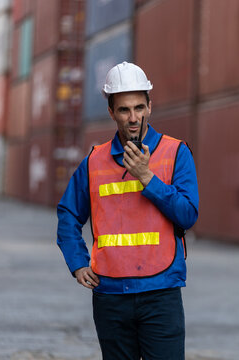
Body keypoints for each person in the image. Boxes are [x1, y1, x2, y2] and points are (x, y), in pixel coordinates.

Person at [56, 61, 199, 360]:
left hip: (161, 292)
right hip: (109, 295)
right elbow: (68, 214)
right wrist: (78, 262)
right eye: (124, 110)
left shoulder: (175, 153)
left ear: (149, 106)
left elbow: (188, 214)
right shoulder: (94, 162)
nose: (133, 118)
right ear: (111, 112)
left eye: (138, 108)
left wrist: (147, 178)